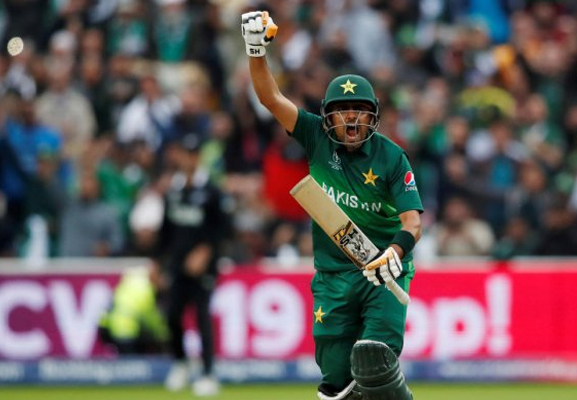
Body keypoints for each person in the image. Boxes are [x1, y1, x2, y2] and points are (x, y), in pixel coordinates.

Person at [241, 11, 423, 400]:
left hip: (382, 273)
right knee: (335, 384)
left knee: (374, 361)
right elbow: (269, 97)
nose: (352, 119)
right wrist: (255, 50)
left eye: (360, 110)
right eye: (343, 110)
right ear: (328, 116)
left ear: (373, 115)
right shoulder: (315, 136)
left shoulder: (392, 158)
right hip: (333, 275)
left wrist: (395, 251)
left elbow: (412, 222)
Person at [155, 133, 227, 397]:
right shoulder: (172, 189)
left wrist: (206, 251)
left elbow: (222, 229)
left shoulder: (211, 190)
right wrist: (156, 263)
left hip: (203, 267)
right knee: (172, 315)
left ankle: (208, 373)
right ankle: (182, 363)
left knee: (201, 316)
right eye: (185, 154)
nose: (189, 159)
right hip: (176, 264)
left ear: (198, 157)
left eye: (193, 154)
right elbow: (166, 230)